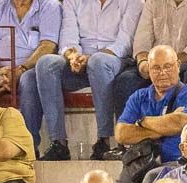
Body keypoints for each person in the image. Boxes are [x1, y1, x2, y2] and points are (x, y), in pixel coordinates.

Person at [26, 0, 139, 160]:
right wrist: (73, 57)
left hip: (114, 59)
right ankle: (58, 143)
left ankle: (104, 140)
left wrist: (90, 58)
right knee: (46, 63)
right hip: (79, 61)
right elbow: (68, 37)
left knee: (98, 61)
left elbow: (124, 42)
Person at [114, 46, 187, 183]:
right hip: (141, 160)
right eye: (156, 68)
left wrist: (142, 122)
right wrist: (163, 127)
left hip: (176, 164)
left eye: (168, 66)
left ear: (178, 66)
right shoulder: (139, 97)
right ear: (148, 69)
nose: (162, 72)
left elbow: (181, 123)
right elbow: (121, 134)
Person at [109, 0, 187, 131]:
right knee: (125, 80)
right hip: (152, 62)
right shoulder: (152, 3)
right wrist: (143, 63)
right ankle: (127, 140)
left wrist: (169, 64)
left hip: (185, 61)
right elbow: (141, 41)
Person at [0, 0, 62, 148]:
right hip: (1, 71)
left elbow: (48, 45)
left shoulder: (50, 6)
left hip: (31, 68)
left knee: (28, 80)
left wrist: (21, 69)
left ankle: (27, 146)